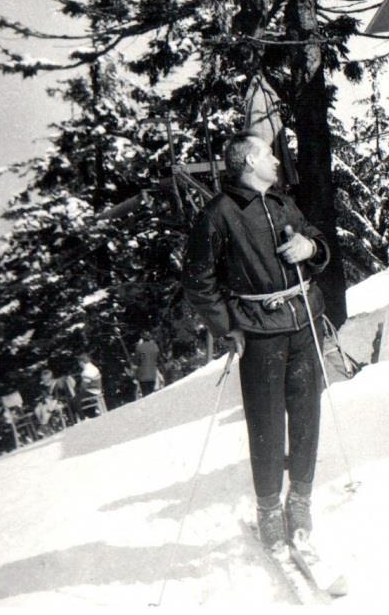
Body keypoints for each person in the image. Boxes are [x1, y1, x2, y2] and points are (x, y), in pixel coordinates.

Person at [182, 131, 331, 550]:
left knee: (306, 415)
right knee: (266, 423)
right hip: (260, 331)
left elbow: (319, 243)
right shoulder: (219, 214)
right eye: (268, 154)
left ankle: (299, 500)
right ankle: (268, 508)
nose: (276, 161)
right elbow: (198, 279)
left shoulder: (284, 203)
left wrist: (309, 247)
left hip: (304, 321)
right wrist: (225, 326)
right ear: (249, 162)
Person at [133, 331, 161, 396]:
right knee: (151, 394)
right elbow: (158, 359)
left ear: (142, 338)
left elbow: (136, 362)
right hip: (152, 374)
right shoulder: (155, 346)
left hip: (142, 376)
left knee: (145, 394)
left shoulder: (139, 348)